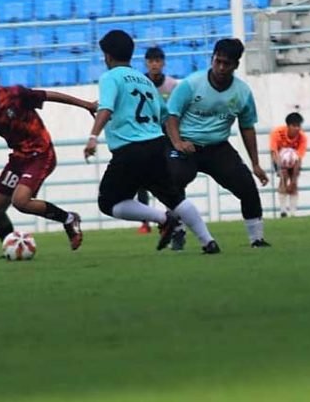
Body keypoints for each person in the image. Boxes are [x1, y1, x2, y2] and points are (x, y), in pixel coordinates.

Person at [83, 30, 219, 253]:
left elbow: (106, 108)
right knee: (174, 197)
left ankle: (163, 219)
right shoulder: (144, 81)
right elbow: (165, 115)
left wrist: (93, 137)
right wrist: (176, 141)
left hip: (129, 149)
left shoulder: (110, 77)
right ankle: (208, 241)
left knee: (108, 202)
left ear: (107, 56)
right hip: (156, 145)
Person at [0, 58, 93, 252]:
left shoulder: (15, 94)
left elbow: (49, 95)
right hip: (18, 158)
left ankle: (69, 219)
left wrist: (86, 105)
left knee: (20, 201)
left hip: (41, 153)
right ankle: (11, 248)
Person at [165, 38, 272, 248]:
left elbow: (247, 126)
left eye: (227, 64)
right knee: (174, 179)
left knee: (247, 186)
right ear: (212, 59)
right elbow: (171, 115)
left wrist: (256, 164)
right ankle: (177, 231)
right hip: (187, 144)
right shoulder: (191, 84)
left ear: (236, 65)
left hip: (217, 147)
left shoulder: (242, 92)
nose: (221, 67)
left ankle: (256, 239)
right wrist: (177, 142)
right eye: (218, 61)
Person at [134, 46, 180, 233]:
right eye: (151, 61)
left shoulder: (172, 85)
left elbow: (175, 111)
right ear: (146, 63)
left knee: (169, 176)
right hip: (145, 135)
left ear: (163, 63)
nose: (154, 64)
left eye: (158, 61)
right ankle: (145, 221)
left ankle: (171, 215)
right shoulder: (140, 82)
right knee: (141, 179)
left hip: (167, 136)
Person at [269, 112, 308, 217]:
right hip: (279, 159)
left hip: (294, 161)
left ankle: (293, 212)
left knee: (294, 182)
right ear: (288, 126)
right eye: (294, 126)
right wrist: (279, 169)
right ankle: (283, 211)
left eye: (298, 126)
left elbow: (299, 157)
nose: (297, 128)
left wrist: (294, 180)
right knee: (283, 179)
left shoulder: (302, 137)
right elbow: (273, 152)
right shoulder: (277, 133)